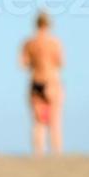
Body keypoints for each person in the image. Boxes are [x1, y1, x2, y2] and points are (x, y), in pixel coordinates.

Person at [21, 11, 65, 156]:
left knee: (38, 123)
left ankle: (38, 155)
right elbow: (60, 63)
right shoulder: (54, 42)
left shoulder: (29, 43)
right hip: (51, 82)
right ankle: (56, 154)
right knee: (54, 121)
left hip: (35, 82)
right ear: (48, 25)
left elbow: (24, 64)